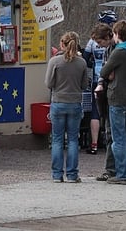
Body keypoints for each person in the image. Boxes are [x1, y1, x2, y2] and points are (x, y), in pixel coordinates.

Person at [99, 21, 126, 184]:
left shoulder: (119, 51)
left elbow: (104, 71)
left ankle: (123, 174)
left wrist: (111, 74)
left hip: (117, 97)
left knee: (118, 138)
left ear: (117, 34)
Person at [45, 31, 91, 183]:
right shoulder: (82, 62)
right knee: (73, 140)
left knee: (57, 140)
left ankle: (57, 175)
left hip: (58, 102)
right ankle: (72, 174)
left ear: (62, 44)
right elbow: (85, 85)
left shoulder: (55, 62)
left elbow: (49, 84)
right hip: (75, 103)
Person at [83, 23, 111, 155]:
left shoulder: (91, 42)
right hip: (109, 79)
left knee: (95, 112)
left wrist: (93, 63)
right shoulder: (114, 43)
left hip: (97, 77)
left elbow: (85, 58)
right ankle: (109, 142)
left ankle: (94, 144)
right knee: (109, 112)